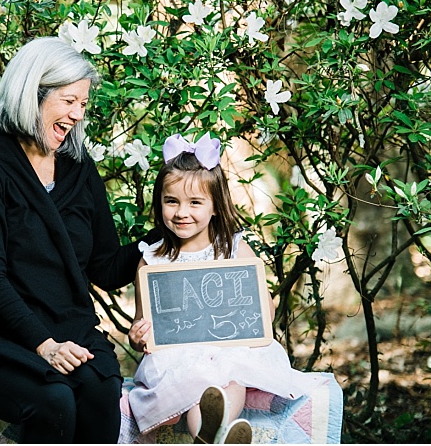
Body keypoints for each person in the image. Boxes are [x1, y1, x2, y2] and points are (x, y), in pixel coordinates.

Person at [0, 37, 159, 443]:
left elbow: (105, 267)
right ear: (32, 93)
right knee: (54, 399)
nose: (76, 115)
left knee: (100, 391)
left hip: (66, 330)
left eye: (83, 105)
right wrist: (44, 345)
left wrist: (168, 234)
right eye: (69, 101)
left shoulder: (78, 170)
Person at [125, 133, 327, 443]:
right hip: (177, 357)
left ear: (216, 206)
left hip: (228, 349)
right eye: (171, 201)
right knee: (197, 381)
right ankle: (212, 436)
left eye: (195, 202)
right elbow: (143, 326)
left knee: (231, 376)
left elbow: (261, 313)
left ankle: (214, 434)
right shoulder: (152, 260)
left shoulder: (234, 250)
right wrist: (138, 336)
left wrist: (262, 304)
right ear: (160, 202)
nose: (181, 212)